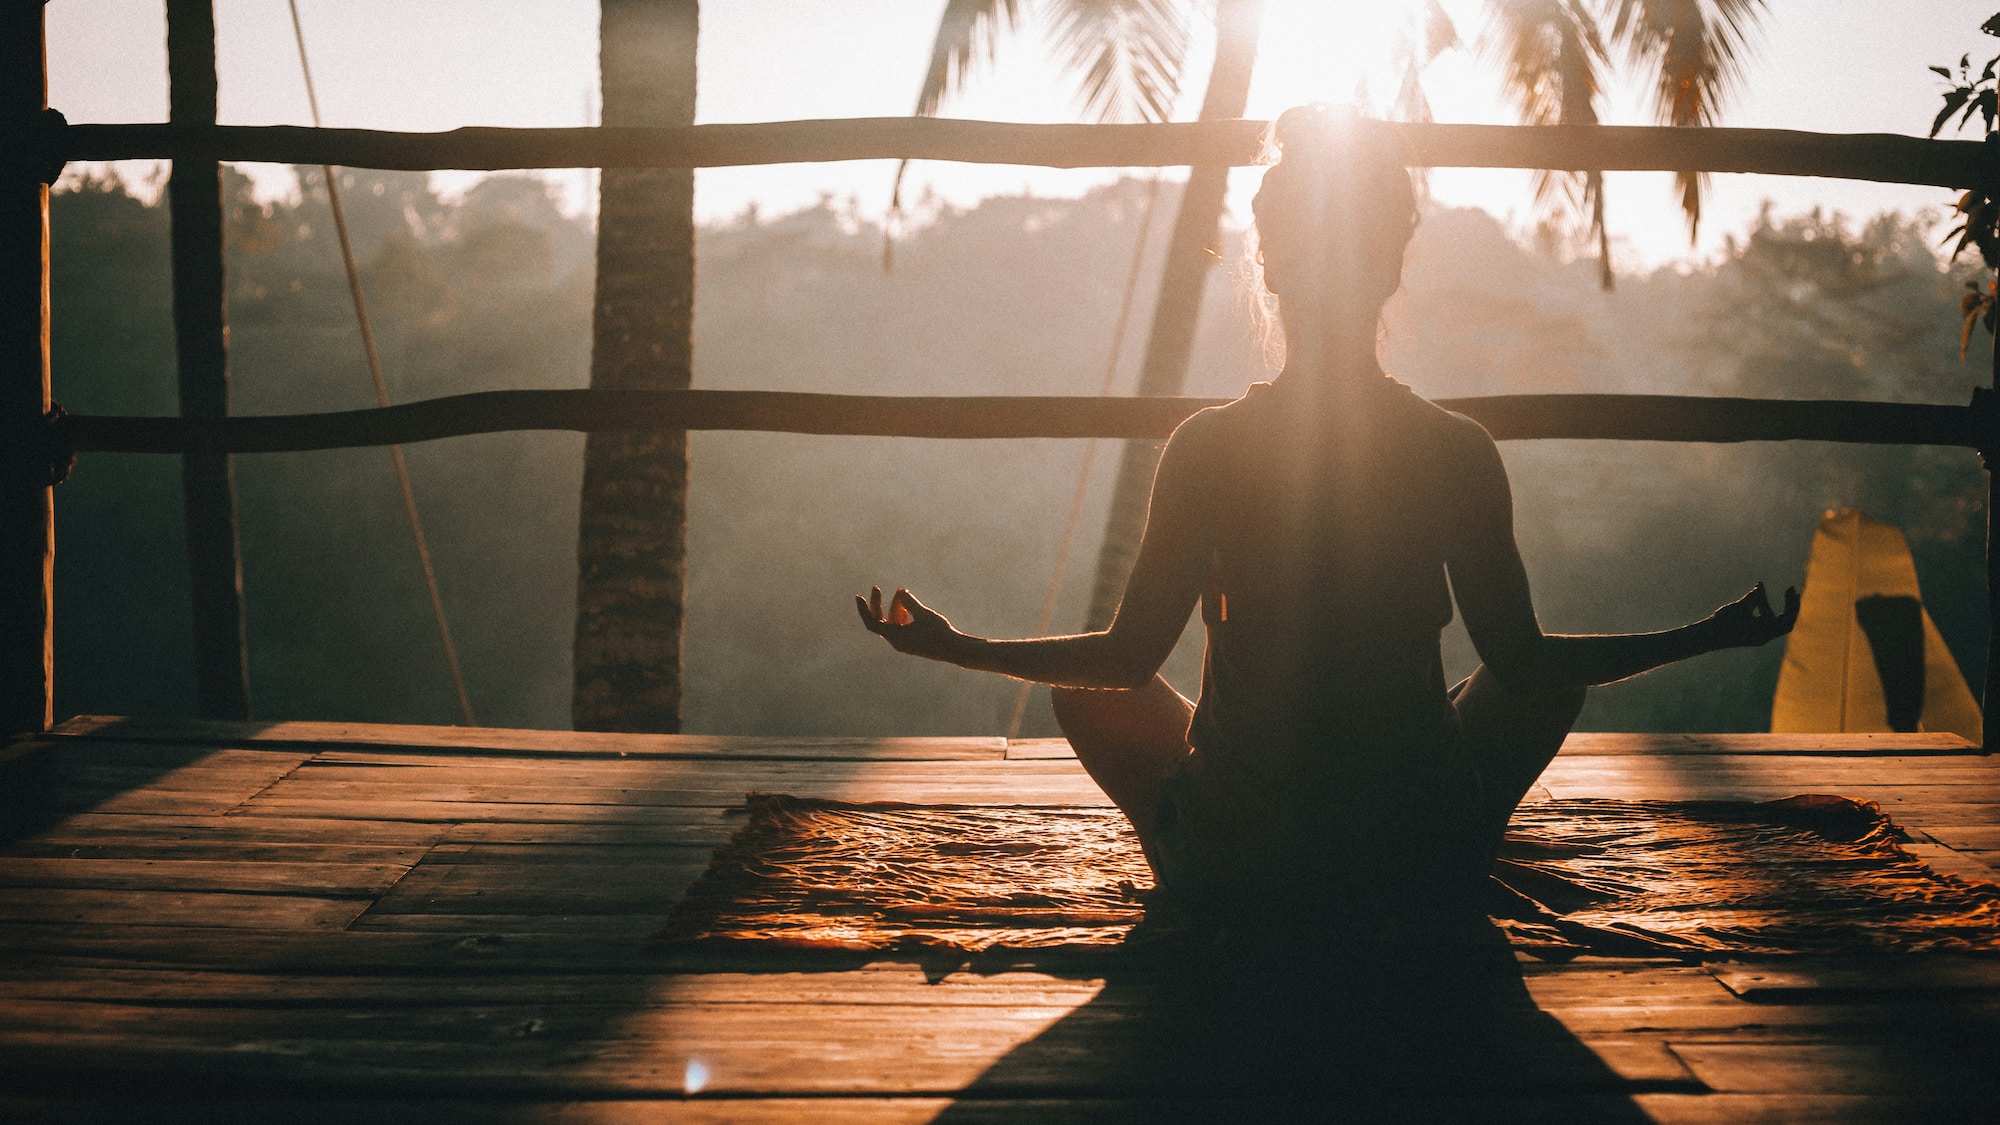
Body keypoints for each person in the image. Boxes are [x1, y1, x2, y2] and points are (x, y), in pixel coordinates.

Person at [857, 105, 1798, 929]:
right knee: (1542, 681)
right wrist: (1708, 635)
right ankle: (1456, 841)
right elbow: (1525, 663)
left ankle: (1194, 860)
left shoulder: (1208, 446)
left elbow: (1124, 660)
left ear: (1269, 268)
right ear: (1391, 268)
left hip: (1242, 869)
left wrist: (957, 645)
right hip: (1414, 865)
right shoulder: (1454, 449)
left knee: (1088, 692)